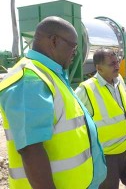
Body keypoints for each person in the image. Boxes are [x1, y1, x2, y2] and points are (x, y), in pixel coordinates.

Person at [0, 16, 107, 189]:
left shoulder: (50, 74)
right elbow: (30, 150)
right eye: (73, 46)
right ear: (54, 41)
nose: (76, 53)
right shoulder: (30, 79)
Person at [75, 48, 126, 189]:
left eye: (117, 61)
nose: (117, 66)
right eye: (112, 64)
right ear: (99, 68)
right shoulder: (86, 90)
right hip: (107, 156)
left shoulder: (119, 80)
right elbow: (75, 123)